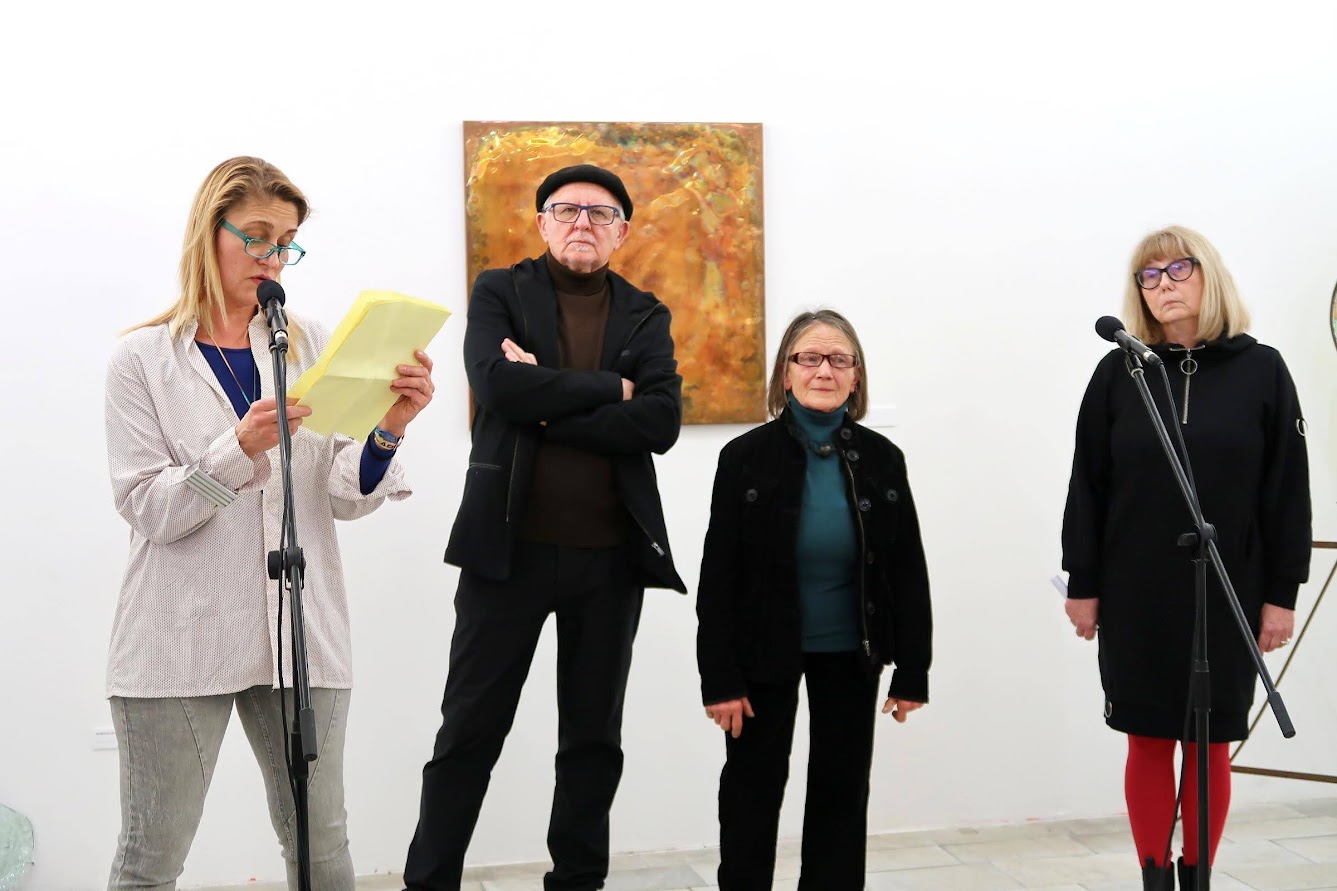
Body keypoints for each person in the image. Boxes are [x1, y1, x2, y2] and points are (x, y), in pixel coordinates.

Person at [103, 156, 435, 889]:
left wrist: (388, 430)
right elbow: (148, 507)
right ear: (208, 232)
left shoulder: (311, 343)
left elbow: (341, 494)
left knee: (323, 848)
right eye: (256, 236)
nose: (273, 257)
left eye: (286, 243)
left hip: (301, 635)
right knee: (151, 859)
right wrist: (237, 449)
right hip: (178, 638)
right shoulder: (141, 360)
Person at [402, 163, 685, 891]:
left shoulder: (646, 313)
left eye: (600, 213)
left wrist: (545, 402)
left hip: (611, 560)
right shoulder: (500, 290)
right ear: (542, 223)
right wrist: (610, 388)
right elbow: (496, 387)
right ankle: (429, 882)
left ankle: (578, 882)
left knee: (593, 740)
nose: (582, 222)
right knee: (468, 730)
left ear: (622, 231)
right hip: (506, 552)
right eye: (566, 210)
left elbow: (660, 422)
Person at [1061, 225, 1311, 890]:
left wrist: (1281, 593)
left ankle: (1197, 877)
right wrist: (1082, 582)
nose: (1164, 284)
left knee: (1209, 740)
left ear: (1210, 275)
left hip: (1229, 587)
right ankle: (1154, 877)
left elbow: (1287, 491)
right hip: (1134, 589)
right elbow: (1087, 484)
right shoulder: (1119, 372)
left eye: (1179, 269)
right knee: (1146, 735)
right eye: (1149, 275)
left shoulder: (1263, 370)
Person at [695, 309, 933, 890]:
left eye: (839, 359)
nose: (824, 370)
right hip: (760, 651)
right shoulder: (744, 457)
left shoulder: (883, 459)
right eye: (809, 358)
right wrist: (719, 678)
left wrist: (913, 671)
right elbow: (718, 576)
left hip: (853, 648)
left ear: (856, 376)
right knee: (751, 789)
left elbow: (907, 569)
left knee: (842, 791)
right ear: (786, 373)